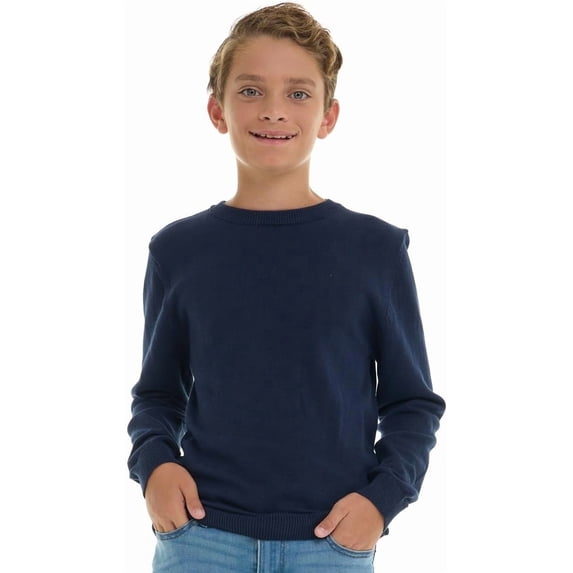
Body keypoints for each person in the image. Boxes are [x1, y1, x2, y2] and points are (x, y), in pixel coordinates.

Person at [127, 3, 445, 571]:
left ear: (328, 115)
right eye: (251, 91)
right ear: (217, 110)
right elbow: (157, 393)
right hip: (200, 541)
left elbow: (411, 402)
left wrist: (383, 500)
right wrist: (155, 465)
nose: (274, 110)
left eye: (298, 93)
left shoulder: (374, 250)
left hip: (332, 543)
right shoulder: (177, 250)